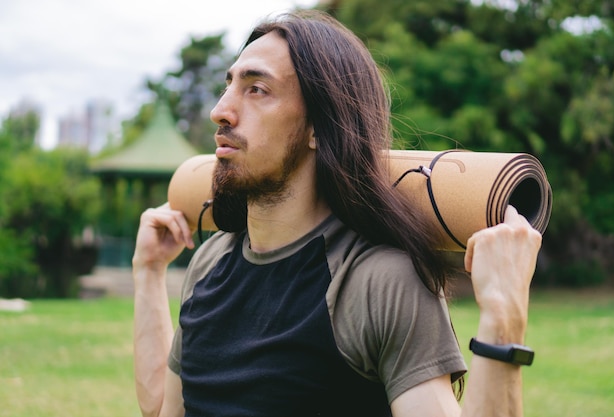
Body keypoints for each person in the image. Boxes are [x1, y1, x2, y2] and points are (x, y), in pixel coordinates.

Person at [132, 10, 542, 417]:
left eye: (257, 89)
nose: (220, 110)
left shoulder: (379, 282)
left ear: (318, 127)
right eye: (230, 86)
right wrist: (149, 272)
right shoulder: (210, 262)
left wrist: (502, 319)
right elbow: (165, 409)